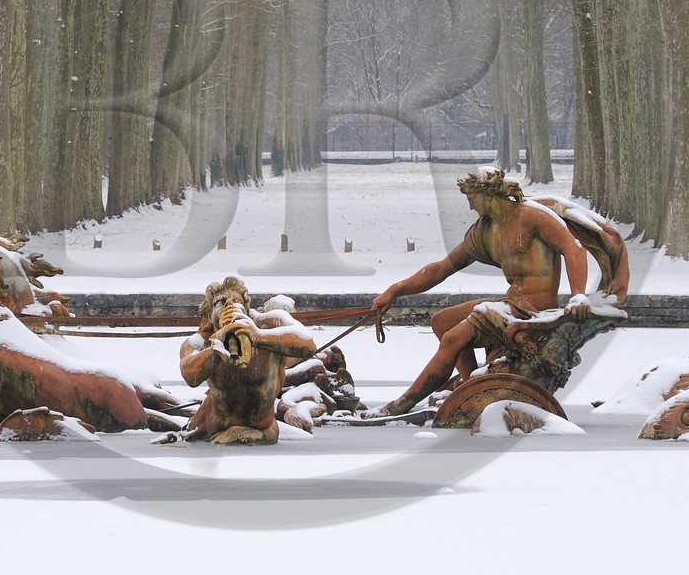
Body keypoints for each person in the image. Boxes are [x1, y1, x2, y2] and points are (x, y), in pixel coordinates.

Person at [368, 169, 612, 417]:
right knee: (442, 321)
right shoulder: (485, 230)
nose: (471, 206)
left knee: (453, 339)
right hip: (510, 303)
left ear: (487, 194)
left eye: (471, 199)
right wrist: (394, 291)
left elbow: (574, 248)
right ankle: (470, 385)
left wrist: (578, 295)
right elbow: (442, 268)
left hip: (533, 309)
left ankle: (401, 405)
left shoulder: (532, 217)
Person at [173, 276, 318, 444]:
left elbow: (308, 344)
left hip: (261, 429)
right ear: (210, 312)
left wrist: (257, 336)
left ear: (246, 308)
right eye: (221, 303)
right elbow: (190, 374)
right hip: (214, 428)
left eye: (236, 301)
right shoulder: (202, 341)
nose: (230, 306)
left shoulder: (267, 324)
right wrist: (217, 347)